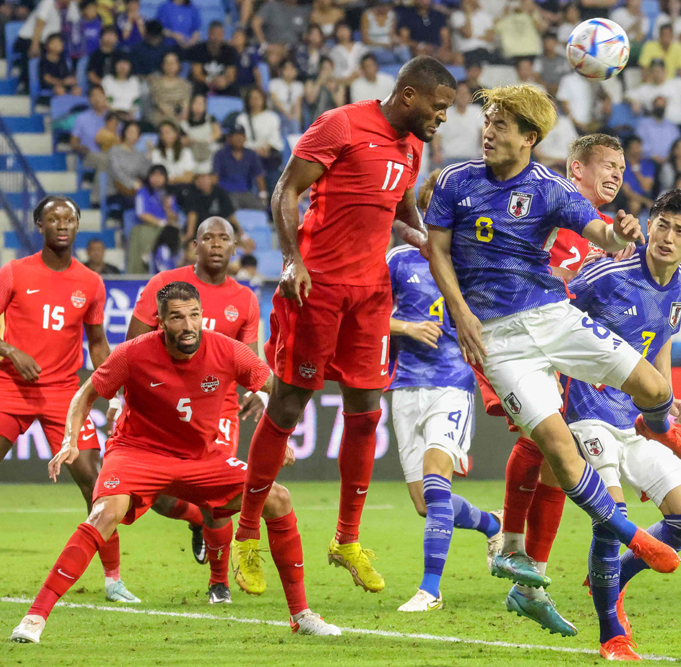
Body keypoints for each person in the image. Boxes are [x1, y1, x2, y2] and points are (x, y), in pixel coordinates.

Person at [425, 83, 681, 607]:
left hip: (554, 319)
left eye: (500, 124)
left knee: (650, 385)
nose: (488, 132)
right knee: (554, 447)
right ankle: (616, 540)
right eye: (489, 123)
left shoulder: (552, 192)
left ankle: (659, 427)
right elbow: (437, 250)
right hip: (497, 338)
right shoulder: (454, 183)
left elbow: (600, 232)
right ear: (580, 165)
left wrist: (620, 236)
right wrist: (459, 313)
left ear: (530, 137)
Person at [231, 57, 456, 596]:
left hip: (370, 293)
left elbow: (400, 213)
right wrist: (291, 260)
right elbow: (286, 190)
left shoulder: (412, 145)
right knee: (289, 401)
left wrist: (424, 238)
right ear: (408, 95)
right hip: (317, 288)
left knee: (365, 410)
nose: (443, 118)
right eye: (438, 107)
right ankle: (245, 535)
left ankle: (347, 541)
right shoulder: (341, 124)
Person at [9, 281, 339, 643]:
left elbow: (276, 389)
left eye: (194, 315)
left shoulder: (227, 350)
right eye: (177, 318)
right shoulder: (133, 353)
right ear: (161, 323)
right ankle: (34, 618)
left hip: (203, 458)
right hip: (136, 453)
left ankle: (301, 614)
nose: (188, 325)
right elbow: (85, 394)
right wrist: (70, 441)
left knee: (279, 498)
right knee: (104, 513)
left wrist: (281, 435)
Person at [491, 133, 631, 637]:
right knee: (541, 439)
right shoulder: (552, 212)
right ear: (577, 169)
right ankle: (507, 545)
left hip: (564, 352)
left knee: (556, 454)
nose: (617, 175)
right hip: (519, 340)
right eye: (607, 165)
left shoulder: (597, 236)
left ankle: (528, 587)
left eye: (621, 168)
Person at [564, 190, 681, 660]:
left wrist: (667, 394)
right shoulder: (607, 274)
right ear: (650, 224)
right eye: (662, 224)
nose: (667, 237)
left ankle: (611, 578)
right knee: (612, 521)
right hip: (589, 410)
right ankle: (612, 634)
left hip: (640, 419)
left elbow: (660, 340)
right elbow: (553, 320)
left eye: (680, 230)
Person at [117, 218, 266, 603]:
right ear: (194, 244)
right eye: (208, 238)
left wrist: (262, 395)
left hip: (218, 411)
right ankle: (198, 521)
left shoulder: (245, 299)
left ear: (235, 248)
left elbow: (252, 358)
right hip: (164, 410)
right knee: (163, 499)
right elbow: (131, 346)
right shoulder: (164, 285)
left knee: (218, 500)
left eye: (224, 239)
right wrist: (124, 399)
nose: (216, 245)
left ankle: (219, 583)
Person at [0, 196, 137, 605]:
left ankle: (113, 580)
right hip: (10, 389)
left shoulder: (91, 283)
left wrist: (115, 392)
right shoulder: (14, 272)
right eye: (53, 218)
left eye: (70, 218)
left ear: (78, 226)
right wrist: (9, 351)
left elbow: (97, 343)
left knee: (98, 485)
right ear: (39, 225)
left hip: (64, 395)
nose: (62, 224)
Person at [387, 176, 503, 613]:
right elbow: (364, 318)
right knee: (424, 504)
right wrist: (405, 327)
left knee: (436, 485)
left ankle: (430, 589)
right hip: (404, 387)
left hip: (452, 386)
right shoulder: (399, 261)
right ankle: (493, 524)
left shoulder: (475, 261)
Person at [213, 126, 266, 211]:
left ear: (245, 138)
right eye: (235, 136)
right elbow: (215, 177)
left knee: (262, 208)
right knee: (230, 210)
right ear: (229, 138)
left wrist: (263, 195)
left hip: (246, 193)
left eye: (241, 136)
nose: (238, 139)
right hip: (227, 193)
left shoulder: (251, 154)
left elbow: (259, 176)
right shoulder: (220, 154)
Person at [431, 80, 482, 167]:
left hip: (472, 159)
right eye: (460, 93)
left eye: (465, 93)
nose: (463, 96)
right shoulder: (444, 113)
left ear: (470, 97)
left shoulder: (476, 111)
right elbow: (437, 136)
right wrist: (436, 152)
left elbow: (483, 133)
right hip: (449, 160)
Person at [182, 169, 237, 241]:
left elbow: (230, 215)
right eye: (198, 178)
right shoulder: (192, 194)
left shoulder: (220, 193)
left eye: (204, 178)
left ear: (212, 178)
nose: (201, 181)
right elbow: (192, 214)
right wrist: (189, 234)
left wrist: (242, 235)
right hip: (200, 230)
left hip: (218, 229)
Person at [189, 20, 237, 97]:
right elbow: (197, 74)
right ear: (209, 33)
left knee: (233, 89)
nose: (217, 38)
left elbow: (231, 75)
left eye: (220, 34)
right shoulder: (198, 49)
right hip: (204, 83)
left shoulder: (230, 50)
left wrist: (225, 81)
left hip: (222, 84)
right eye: (214, 34)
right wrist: (210, 80)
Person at [148, 52, 192, 127]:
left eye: (172, 63)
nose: (170, 66)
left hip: (179, 119)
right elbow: (160, 104)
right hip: (160, 117)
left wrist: (181, 121)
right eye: (167, 63)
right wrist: (173, 120)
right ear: (163, 65)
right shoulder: (155, 82)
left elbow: (185, 107)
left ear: (178, 65)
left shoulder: (186, 85)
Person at [151, 120, 196, 187]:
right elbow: (156, 178)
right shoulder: (156, 153)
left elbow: (189, 177)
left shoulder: (186, 152)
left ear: (175, 134)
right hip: (163, 188)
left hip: (182, 188)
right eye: (162, 133)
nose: (164, 136)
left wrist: (170, 179)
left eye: (167, 132)